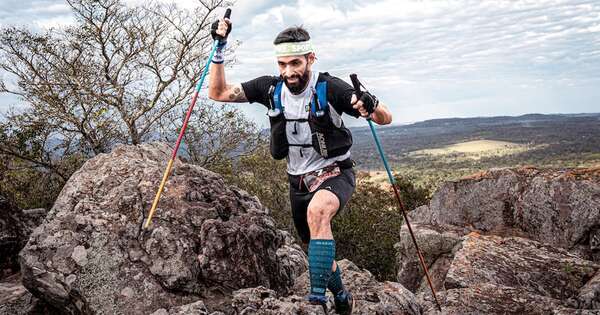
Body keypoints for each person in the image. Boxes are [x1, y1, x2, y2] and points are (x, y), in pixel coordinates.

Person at [208, 17, 392, 314]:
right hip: (298, 182)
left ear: (310, 58)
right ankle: (342, 296)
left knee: (318, 212)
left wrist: (371, 105)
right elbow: (218, 93)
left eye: (295, 63)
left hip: (335, 173)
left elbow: (385, 118)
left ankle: (317, 300)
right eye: (282, 64)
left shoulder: (329, 87)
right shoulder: (270, 88)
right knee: (317, 247)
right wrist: (219, 48)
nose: (288, 72)